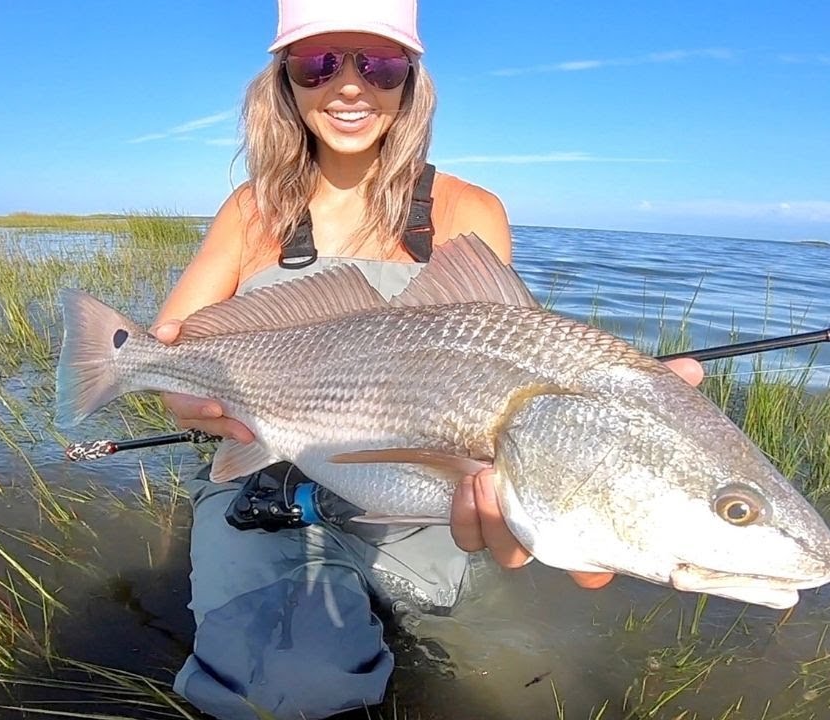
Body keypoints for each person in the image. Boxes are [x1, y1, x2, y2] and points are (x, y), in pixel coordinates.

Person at [150, 1, 705, 718]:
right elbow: (170, 351)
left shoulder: (470, 210)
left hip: (422, 504)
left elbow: (510, 373)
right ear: (283, 81)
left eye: (378, 64)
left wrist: (589, 501)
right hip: (271, 490)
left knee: (498, 674)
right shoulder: (251, 210)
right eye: (318, 62)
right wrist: (187, 397)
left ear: (412, 81)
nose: (349, 86)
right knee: (285, 690)